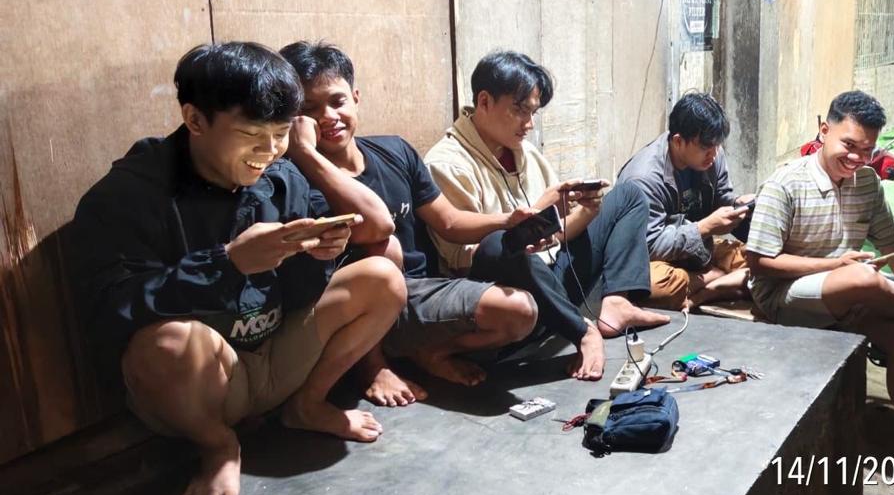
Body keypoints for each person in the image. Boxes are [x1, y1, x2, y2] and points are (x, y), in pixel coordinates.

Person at [73, 43, 407, 495]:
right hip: (205, 388)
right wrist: (227, 264)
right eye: (251, 135)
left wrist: (319, 254)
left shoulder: (280, 176)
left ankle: (307, 406)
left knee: (382, 276)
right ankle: (219, 447)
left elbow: (310, 287)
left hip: (277, 358)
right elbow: (109, 312)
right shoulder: (130, 194)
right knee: (166, 344)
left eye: (279, 135)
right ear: (195, 119)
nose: (268, 152)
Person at [744, 90, 894, 495]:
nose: (856, 157)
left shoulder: (867, 182)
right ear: (824, 131)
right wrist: (833, 266)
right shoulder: (785, 183)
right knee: (864, 276)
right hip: (783, 298)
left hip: (845, 295)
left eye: (867, 150)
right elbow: (759, 261)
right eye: (848, 145)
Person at [280, 41, 539, 400]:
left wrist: (508, 220)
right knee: (385, 249)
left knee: (520, 311)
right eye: (309, 109)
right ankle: (373, 368)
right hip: (351, 314)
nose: (327, 117)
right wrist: (304, 152)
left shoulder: (394, 151)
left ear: (355, 97)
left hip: (416, 295)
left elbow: (449, 221)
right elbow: (377, 227)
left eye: (337, 101)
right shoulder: (296, 177)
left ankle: (427, 353)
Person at [424, 50, 668, 380]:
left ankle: (616, 303)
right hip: (510, 295)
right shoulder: (447, 163)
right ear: (484, 101)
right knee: (500, 243)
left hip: (551, 279)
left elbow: (554, 237)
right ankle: (583, 331)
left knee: (629, 195)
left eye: (533, 112)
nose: (528, 124)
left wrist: (587, 212)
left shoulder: (524, 152)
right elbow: (466, 260)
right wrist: (533, 216)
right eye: (519, 110)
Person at [616, 92, 752, 309]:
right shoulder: (643, 178)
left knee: (759, 260)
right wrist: (703, 228)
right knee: (653, 287)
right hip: (653, 259)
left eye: (717, 146)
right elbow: (649, 245)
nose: (714, 154)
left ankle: (707, 288)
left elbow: (720, 198)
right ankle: (714, 281)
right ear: (678, 141)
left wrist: (738, 205)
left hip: (699, 250)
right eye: (705, 148)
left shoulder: (712, 155)